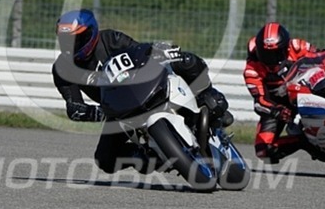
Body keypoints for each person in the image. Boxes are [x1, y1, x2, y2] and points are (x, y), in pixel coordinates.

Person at [52, 9, 233, 174]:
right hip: (118, 111)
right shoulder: (62, 69)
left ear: (91, 33)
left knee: (185, 61)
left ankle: (209, 96)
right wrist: (97, 112)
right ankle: (150, 156)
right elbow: (74, 108)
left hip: (145, 87)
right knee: (105, 159)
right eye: (65, 41)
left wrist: (160, 51)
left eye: (77, 39)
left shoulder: (111, 39)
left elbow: (141, 52)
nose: (71, 46)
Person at [243, 22, 325, 164]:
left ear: (285, 47)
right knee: (264, 151)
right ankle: (305, 140)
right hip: (280, 105)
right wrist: (276, 110)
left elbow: (322, 55)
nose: (271, 59)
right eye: (265, 54)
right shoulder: (251, 70)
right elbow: (260, 100)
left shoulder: (296, 46)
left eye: (276, 53)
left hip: (308, 88)